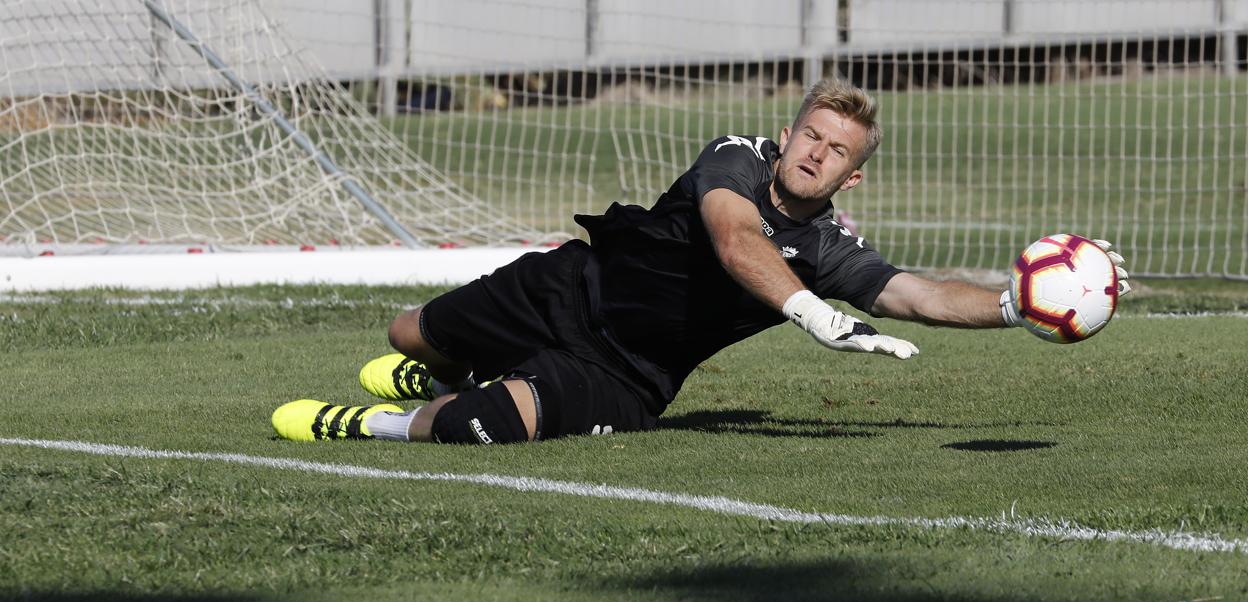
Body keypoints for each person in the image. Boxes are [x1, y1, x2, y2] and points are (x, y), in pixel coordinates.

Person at [271, 77, 1130, 445]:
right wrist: (806, 311)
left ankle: (368, 424)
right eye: (811, 136)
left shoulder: (827, 248)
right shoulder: (733, 161)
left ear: (851, 173)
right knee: (408, 331)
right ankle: (434, 372)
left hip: (629, 374)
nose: (815, 155)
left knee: (479, 428)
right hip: (569, 286)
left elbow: (919, 295)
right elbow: (734, 239)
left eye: (836, 152)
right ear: (788, 133)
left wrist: (1016, 307)